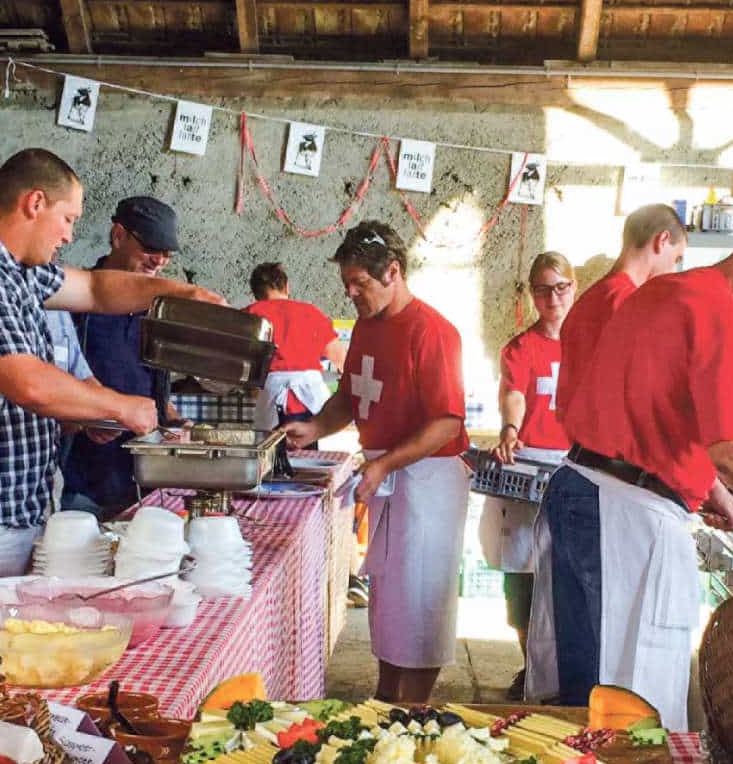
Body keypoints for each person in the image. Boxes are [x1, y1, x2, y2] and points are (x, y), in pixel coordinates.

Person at [0, 155, 223, 634]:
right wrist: (120, 405)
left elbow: (94, 288)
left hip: (7, 512)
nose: (70, 235)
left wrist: (179, 293)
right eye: (68, 219)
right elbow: (27, 383)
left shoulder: (11, 268)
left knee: (9, 664)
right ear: (35, 203)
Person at [526, 219, 733, 729]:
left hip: (582, 484)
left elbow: (651, 405)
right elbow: (730, 445)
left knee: (583, 681)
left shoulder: (664, 292)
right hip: (625, 512)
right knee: (624, 694)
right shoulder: (723, 315)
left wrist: (708, 486)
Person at [283, 222, 469, 705]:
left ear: (393, 272)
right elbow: (351, 394)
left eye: (359, 284)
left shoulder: (433, 331)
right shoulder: (367, 327)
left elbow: (447, 421)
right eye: (346, 284)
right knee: (388, 598)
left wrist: (386, 465)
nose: (350, 294)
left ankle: (414, 705)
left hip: (427, 480)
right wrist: (315, 428)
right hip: (385, 473)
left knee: (421, 596)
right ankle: (387, 694)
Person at [479, 251, 575, 700]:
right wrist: (511, 429)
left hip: (577, 467)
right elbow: (515, 394)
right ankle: (528, 666)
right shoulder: (521, 348)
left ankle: (565, 673)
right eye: (541, 288)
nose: (551, 296)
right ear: (531, 294)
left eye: (560, 286)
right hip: (528, 463)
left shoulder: (589, 342)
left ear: (573, 288)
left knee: (569, 577)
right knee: (523, 577)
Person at [60, 196, 193, 518]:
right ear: (118, 236)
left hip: (145, 482)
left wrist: (176, 420)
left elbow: (152, 387)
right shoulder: (72, 302)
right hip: (83, 481)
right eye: (151, 249)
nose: (159, 261)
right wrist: (83, 418)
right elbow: (46, 385)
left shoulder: (157, 311)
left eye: (167, 255)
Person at [553, 203, 686, 427]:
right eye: (677, 259)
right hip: (613, 452)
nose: (673, 270)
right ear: (661, 240)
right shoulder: (630, 304)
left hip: (581, 446)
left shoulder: (586, 302)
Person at [243, 261, 347, 431]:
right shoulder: (311, 312)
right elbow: (341, 357)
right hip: (313, 396)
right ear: (287, 286)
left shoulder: (250, 314)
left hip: (271, 396)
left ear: (255, 292)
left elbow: (241, 365)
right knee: (314, 454)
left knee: (273, 453)